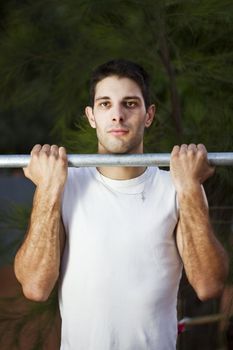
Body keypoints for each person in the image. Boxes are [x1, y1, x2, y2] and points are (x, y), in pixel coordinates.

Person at [14, 59, 228, 350]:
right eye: (105, 104)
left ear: (148, 115)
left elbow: (209, 284)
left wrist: (190, 187)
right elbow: (35, 287)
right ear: (91, 116)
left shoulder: (178, 187)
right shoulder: (65, 185)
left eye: (130, 104)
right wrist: (49, 189)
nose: (117, 115)